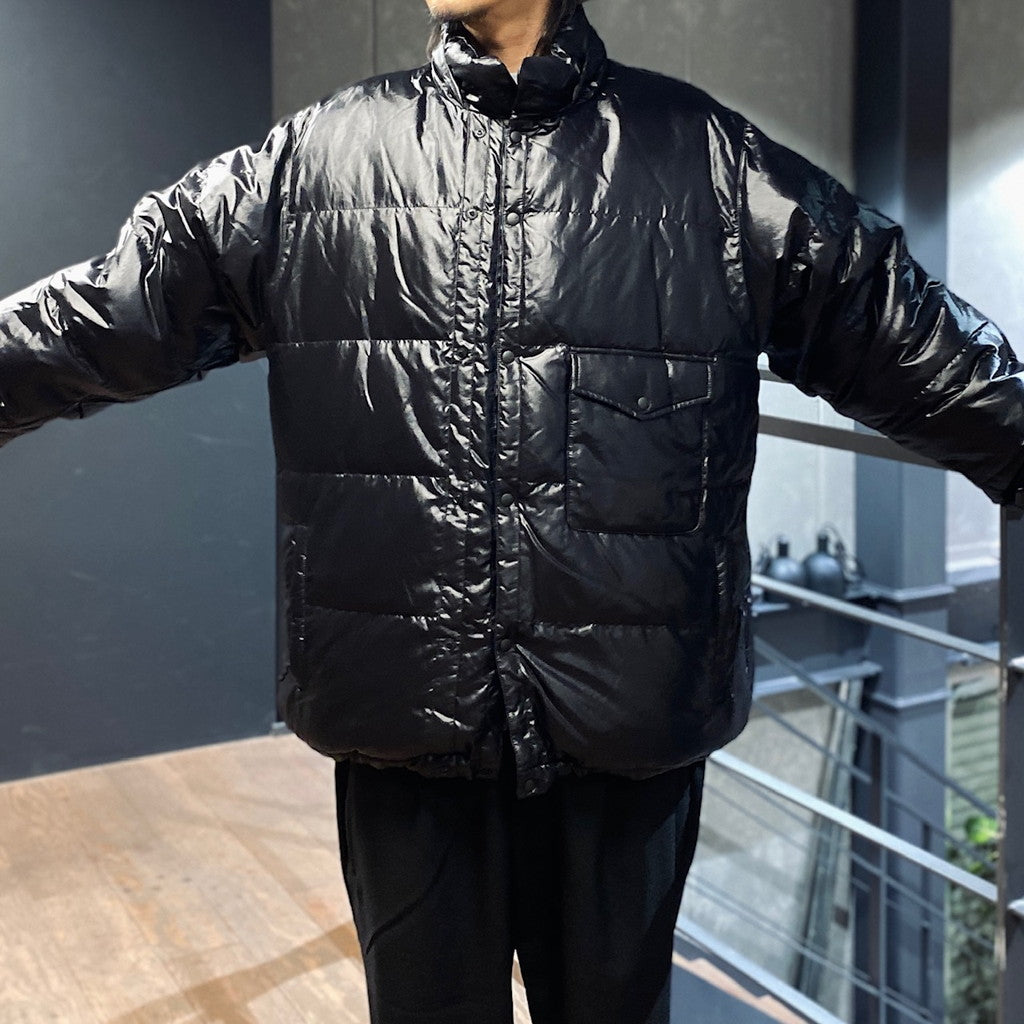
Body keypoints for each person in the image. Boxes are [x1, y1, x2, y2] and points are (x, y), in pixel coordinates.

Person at [1, 0, 1022, 1021]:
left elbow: (903, 333)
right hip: (405, 713)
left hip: (625, 726)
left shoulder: (708, 161)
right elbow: (112, 309)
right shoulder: (317, 160)